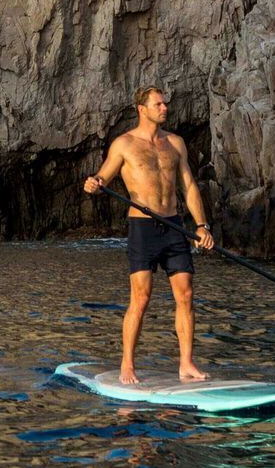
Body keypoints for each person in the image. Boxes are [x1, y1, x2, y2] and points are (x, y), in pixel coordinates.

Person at [82, 87, 215, 384]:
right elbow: (104, 176)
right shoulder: (124, 144)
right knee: (141, 298)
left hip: (174, 226)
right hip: (142, 229)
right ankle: (127, 365)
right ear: (142, 109)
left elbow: (189, 187)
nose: (164, 108)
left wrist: (202, 226)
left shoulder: (176, 143)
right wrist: (94, 183)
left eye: (165, 103)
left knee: (186, 294)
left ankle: (186, 364)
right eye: (158, 104)